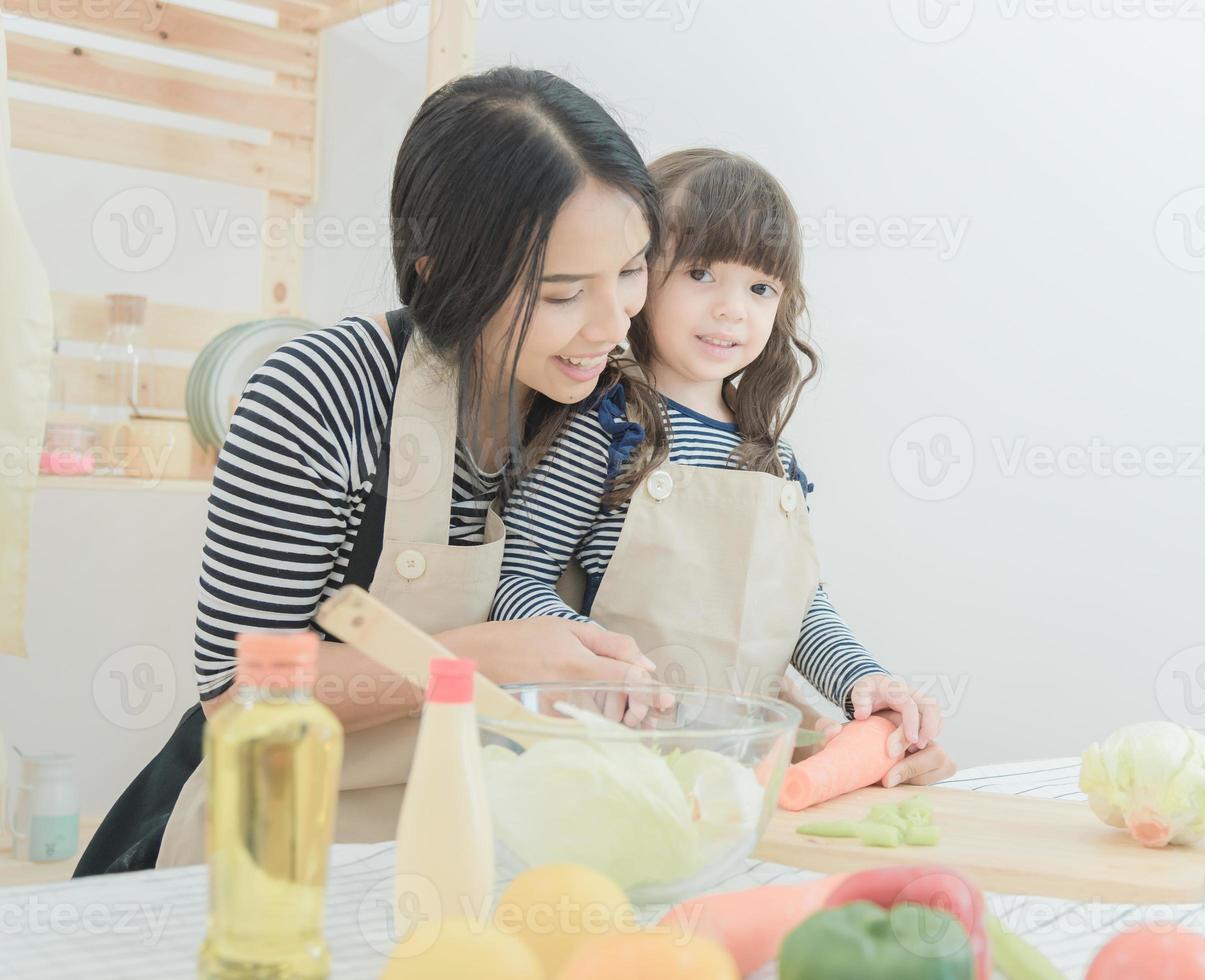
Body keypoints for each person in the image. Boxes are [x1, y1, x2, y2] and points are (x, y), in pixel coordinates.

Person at [76, 67, 666, 875]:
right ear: (438, 267)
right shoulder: (320, 393)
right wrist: (482, 659)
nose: (610, 323)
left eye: (631, 270)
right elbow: (238, 694)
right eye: (562, 293)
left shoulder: (600, 406)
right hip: (282, 850)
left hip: (481, 845)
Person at [493, 148, 957, 788]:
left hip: (736, 779)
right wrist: (613, 667)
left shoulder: (773, 462)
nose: (732, 309)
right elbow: (514, 585)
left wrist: (863, 679)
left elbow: (801, 611)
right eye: (702, 274)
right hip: (605, 765)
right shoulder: (603, 425)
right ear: (640, 275)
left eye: (760, 287)